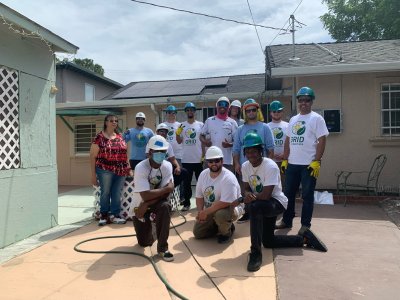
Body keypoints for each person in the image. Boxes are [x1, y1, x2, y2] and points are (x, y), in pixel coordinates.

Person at [238, 132, 327, 272]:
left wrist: (249, 198)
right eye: (248, 151)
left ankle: (255, 253)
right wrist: (247, 195)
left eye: (254, 151)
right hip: (262, 203)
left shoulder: (270, 166)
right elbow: (247, 188)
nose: (251, 155)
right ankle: (303, 239)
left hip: (276, 203)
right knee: (268, 241)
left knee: (253, 207)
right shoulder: (245, 167)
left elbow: (267, 195)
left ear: (261, 151)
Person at [276, 87, 329, 235]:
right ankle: (286, 220)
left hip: (308, 165)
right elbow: (288, 140)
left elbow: (322, 140)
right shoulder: (293, 119)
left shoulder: (317, 119)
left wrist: (317, 161)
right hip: (292, 164)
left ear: (311, 102)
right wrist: (285, 159)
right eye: (301, 100)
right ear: (297, 102)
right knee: (288, 194)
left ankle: (305, 225)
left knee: (307, 196)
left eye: (307, 100)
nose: (303, 103)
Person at [132, 135, 175, 262]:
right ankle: (154, 229)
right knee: (145, 242)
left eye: (163, 152)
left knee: (165, 206)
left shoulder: (167, 166)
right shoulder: (141, 167)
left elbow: (165, 196)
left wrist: (147, 203)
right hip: (139, 205)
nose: (161, 154)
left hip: (153, 203)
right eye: (157, 151)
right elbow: (145, 195)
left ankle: (163, 248)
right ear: (150, 152)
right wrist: (167, 188)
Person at [233, 98, 275, 222]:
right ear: (245, 113)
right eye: (248, 110)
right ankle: (248, 212)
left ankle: (264, 212)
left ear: (257, 111)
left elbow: (270, 149)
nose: (251, 112)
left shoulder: (265, 127)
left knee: (264, 191)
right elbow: (236, 149)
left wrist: (268, 165)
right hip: (245, 167)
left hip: (262, 167)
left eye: (253, 110)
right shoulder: (240, 129)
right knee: (246, 190)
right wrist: (236, 163)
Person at [193, 146, 242, 244]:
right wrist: (200, 212)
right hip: (211, 208)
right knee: (198, 233)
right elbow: (199, 197)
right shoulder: (203, 174)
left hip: (231, 207)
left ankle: (226, 232)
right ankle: (219, 225)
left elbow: (225, 202)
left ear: (222, 161)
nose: (214, 164)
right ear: (207, 162)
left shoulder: (228, 178)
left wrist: (205, 212)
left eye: (216, 160)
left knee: (221, 214)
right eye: (210, 161)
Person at [90, 114, 131, 226]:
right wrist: (93, 175)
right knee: (105, 192)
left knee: (116, 193)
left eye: (116, 121)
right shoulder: (99, 137)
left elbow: (125, 154)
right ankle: (104, 215)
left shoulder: (119, 137)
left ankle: (115, 215)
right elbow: (92, 156)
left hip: (121, 170)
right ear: (106, 122)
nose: (114, 122)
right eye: (111, 120)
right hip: (104, 169)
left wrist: (128, 167)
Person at [146, 123, 190, 205]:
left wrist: (177, 166)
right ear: (157, 132)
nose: (163, 133)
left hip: (166, 168)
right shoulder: (151, 142)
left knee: (184, 172)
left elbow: (172, 158)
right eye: (161, 131)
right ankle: (162, 190)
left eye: (165, 132)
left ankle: (180, 196)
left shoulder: (168, 145)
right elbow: (148, 156)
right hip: (154, 168)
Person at [176, 102, 204, 211]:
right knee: (186, 183)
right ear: (186, 112)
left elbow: (202, 141)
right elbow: (179, 141)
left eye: (191, 110)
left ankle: (202, 203)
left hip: (198, 159)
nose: (189, 112)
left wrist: (203, 155)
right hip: (186, 159)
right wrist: (177, 133)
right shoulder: (182, 125)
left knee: (201, 182)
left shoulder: (200, 125)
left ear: (194, 111)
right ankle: (187, 203)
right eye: (187, 110)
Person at [200, 96, 238, 172]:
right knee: (208, 183)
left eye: (225, 104)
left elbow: (237, 142)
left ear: (229, 108)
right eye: (220, 104)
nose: (222, 106)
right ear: (216, 106)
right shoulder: (209, 120)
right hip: (210, 160)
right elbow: (201, 135)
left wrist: (229, 144)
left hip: (226, 161)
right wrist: (205, 142)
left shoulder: (233, 122)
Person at [163, 105, 185, 202]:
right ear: (166, 114)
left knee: (180, 176)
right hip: (165, 156)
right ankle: (167, 195)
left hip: (178, 155)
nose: (171, 114)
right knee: (166, 176)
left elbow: (183, 139)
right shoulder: (163, 125)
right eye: (169, 112)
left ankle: (181, 197)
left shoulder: (180, 125)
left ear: (176, 114)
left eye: (173, 112)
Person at [267, 100, 289, 170]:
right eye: (274, 111)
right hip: (270, 161)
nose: (276, 113)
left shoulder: (288, 125)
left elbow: (291, 143)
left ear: (282, 112)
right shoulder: (266, 127)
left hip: (285, 161)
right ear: (270, 113)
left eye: (279, 111)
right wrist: (271, 154)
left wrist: (284, 154)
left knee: (285, 181)